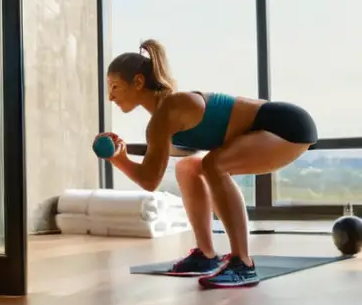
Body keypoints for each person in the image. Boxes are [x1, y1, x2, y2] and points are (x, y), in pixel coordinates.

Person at [98, 39, 317, 289]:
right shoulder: (163, 118)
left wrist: (119, 160)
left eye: (114, 86)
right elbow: (154, 170)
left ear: (138, 82)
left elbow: (149, 180)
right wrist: (121, 157)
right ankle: (206, 255)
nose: (110, 96)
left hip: (285, 125)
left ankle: (243, 263)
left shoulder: (169, 111)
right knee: (187, 168)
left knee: (214, 164)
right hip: (271, 129)